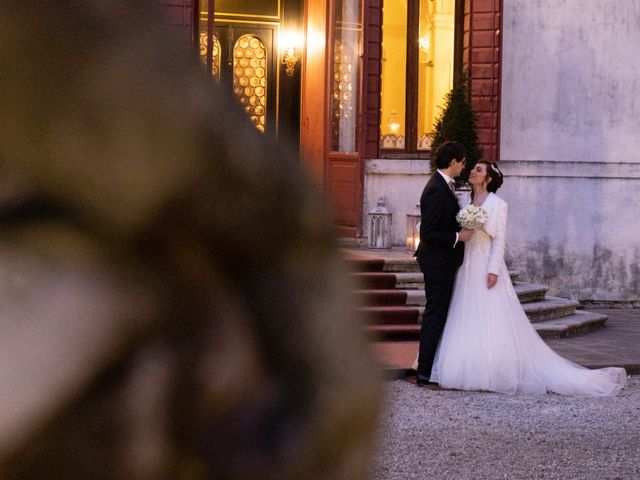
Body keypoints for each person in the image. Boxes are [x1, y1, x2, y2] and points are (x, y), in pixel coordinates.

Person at [429, 161, 627, 396]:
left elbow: (499, 240)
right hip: (466, 266)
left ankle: (495, 369)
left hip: (485, 265)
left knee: (491, 313)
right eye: (472, 168)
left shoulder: (498, 205)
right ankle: (464, 366)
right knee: (466, 312)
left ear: (488, 178)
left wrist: (493, 270)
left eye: (478, 170)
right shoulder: (463, 201)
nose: (472, 171)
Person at [414, 141, 473, 387]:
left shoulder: (444, 185)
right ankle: (425, 371)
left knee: (439, 313)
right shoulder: (436, 189)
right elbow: (428, 233)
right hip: (437, 262)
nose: (463, 167)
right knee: (435, 314)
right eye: (462, 162)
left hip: (443, 261)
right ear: (452, 162)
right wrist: (459, 236)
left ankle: (431, 366)